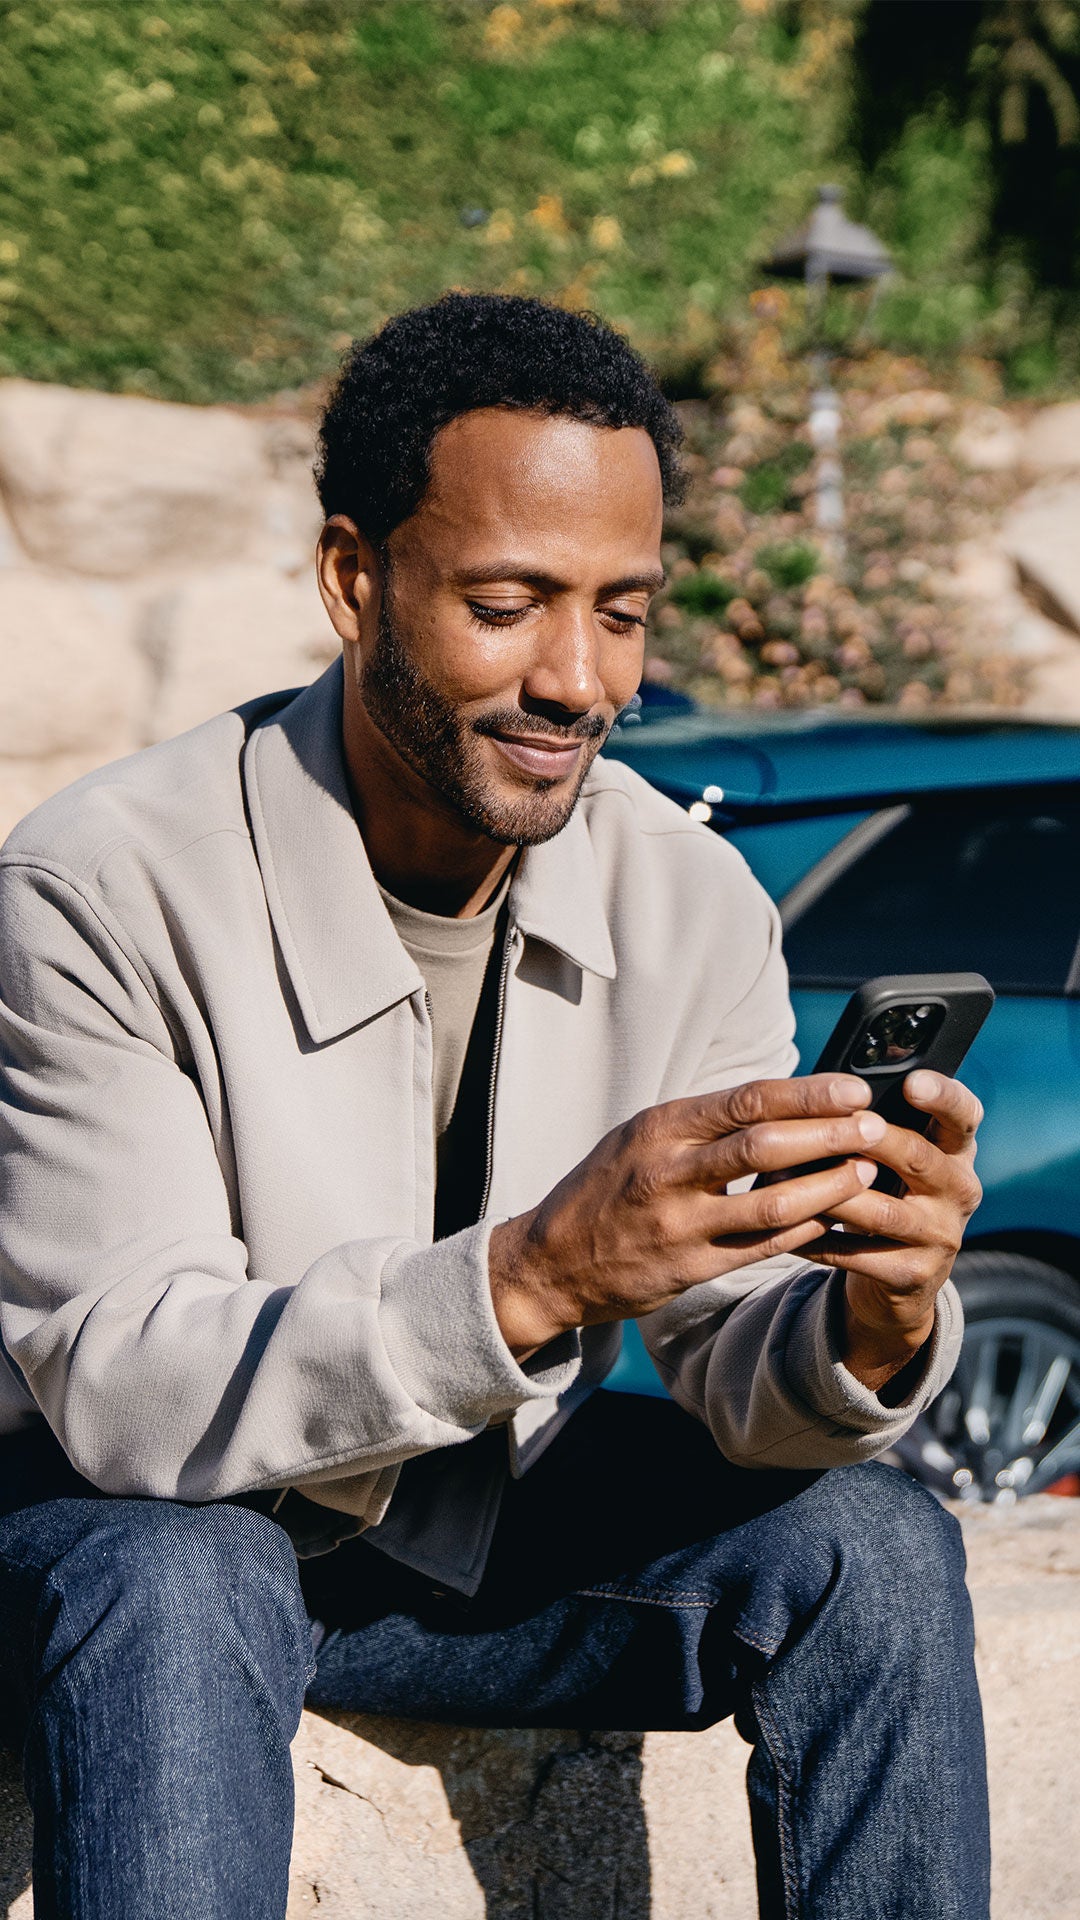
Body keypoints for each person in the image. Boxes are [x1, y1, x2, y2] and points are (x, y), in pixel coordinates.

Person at [0, 293, 989, 1919]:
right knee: (185, 1572)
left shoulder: (692, 898)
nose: (577, 678)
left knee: (876, 1547)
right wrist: (535, 1272)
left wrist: (871, 1321)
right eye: (510, 603)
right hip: (139, 1548)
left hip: (479, 1542)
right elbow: (123, 1388)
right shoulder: (99, 883)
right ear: (353, 578)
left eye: (623, 611)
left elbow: (742, 1370)